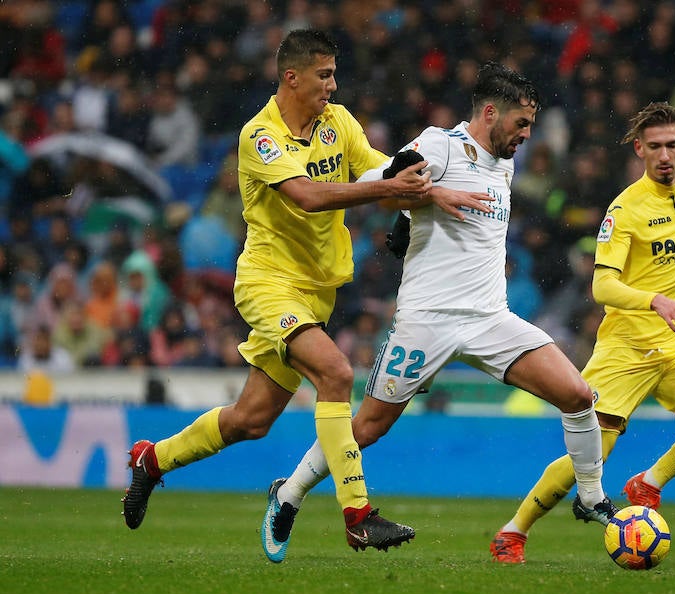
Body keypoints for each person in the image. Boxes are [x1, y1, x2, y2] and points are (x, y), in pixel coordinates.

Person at [122, 29, 492, 553]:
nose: (333, 85)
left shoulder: (337, 123)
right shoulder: (260, 136)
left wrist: (431, 189)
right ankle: (358, 515)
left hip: (317, 291)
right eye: (324, 75)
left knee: (250, 420)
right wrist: (391, 189)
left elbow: (380, 168)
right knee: (337, 373)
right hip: (268, 284)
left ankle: (151, 459)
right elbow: (308, 196)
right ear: (292, 77)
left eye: (334, 74)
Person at [260, 62, 615, 564]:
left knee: (578, 394)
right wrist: (425, 194)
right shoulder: (437, 145)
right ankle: (288, 495)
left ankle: (591, 495)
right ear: (490, 113)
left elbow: (409, 218)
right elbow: (374, 184)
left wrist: (410, 219)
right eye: (521, 124)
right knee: (366, 428)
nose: (527, 136)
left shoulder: (506, 162)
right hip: (426, 320)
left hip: (492, 318)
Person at [490, 102, 675, 563]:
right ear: (640, 150)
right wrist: (655, 299)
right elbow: (602, 283)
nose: (666, 155)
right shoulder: (624, 208)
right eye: (655, 147)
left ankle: (647, 483)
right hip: (626, 348)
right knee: (590, 458)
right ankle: (513, 532)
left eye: (672, 144)